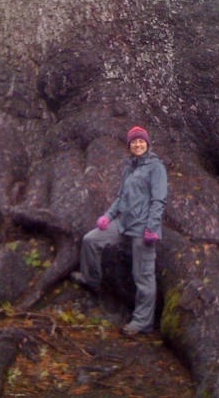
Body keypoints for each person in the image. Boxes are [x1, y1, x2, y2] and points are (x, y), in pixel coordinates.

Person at [70, 126, 168, 335]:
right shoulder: (129, 169)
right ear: (130, 146)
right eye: (134, 142)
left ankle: (142, 322)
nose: (137, 145)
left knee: (142, 276)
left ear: (147, 144)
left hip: (143, 229)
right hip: (123, 223)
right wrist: (108, 216)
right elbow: (121, 198)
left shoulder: (155, 167)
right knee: (91, 240)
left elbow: (158, 200)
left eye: (141, 141)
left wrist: (152, 228)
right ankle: (91, 279)